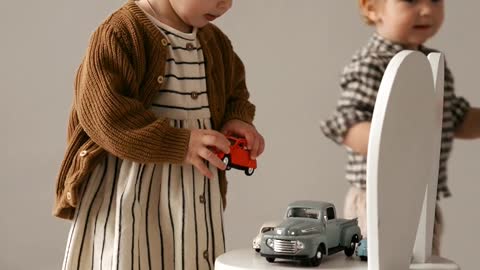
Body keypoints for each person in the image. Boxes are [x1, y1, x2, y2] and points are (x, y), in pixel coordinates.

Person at [53, 0, 265, 269]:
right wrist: (180, 142)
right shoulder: (121, 33)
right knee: (133, 251)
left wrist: (237, 118)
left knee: (190, 250)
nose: (226, 4)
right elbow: (105, 115)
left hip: (192, 187)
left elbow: (235, 88)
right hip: (133, 186)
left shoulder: (214, 42)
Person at [320, 0, 480, 255]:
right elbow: (347, 124)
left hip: (421, 197)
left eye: (436, 0)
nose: (426, 9)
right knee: (383, 260)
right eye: (411, 0)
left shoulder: (432, 63)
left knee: (422, 261)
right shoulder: (373, 62)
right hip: (380, 199)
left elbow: (455, 118)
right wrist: (398, 146)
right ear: (372, 8)